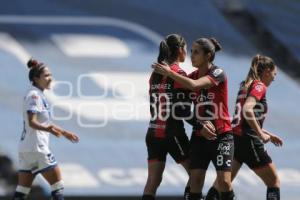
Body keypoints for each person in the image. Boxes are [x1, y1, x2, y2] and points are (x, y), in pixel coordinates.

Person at [153, 37, 235, 200]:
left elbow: (194, 85)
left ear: (208, 55)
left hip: (222, 136)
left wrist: (170, 72)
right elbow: (179, 104)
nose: (192, 55)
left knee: (224, 182)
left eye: (196, 52)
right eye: (191, 52)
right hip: (200, 137)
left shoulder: (218, 73)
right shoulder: (192, 75)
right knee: (195, 181)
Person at [142, 34, 215, 200]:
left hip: (153, 132)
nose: (189, 53)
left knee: (152, 182)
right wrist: (199, 125)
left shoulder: (155, 73)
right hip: (172, 132)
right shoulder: (178, 73)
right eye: (187, 49)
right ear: (181, 50)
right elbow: (181, 109)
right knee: (195, 174)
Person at [208, 55, 283, 200]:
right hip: (248, 141)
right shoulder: (259, 86)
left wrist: (266, 132)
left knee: (221, 185)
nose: (274, 78)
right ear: (267, 71)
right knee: (273, 182)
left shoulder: (245, 86)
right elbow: (247, 111)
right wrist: (261, 134)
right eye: (274, 74)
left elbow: (241, 120)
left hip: (236, 139)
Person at [12, 58, 79, 200]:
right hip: (38, 148)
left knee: (22, 191)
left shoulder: (37, 94)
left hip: (26, 149)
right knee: (58, 187)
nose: (50, 78)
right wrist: (49, 130)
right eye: (46, 75)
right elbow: (32, 122)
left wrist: (65, 133)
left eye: (50, 75)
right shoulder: (34, 95)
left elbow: (46, 122)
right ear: (36, 78)